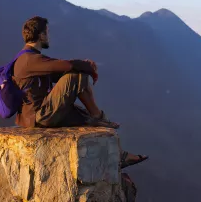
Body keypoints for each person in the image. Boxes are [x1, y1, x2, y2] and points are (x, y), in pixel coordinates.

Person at [13, 16, 148, 169]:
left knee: (88, 120)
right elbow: (67, 66)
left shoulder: (30, 59)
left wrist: (83, 67)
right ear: (41, 35)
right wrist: (87, 66)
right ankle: (98, 116)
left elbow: (58, 71)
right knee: (77, 75)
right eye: (47, 32)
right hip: (39, 116)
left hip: (40, 114)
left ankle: (119, 155)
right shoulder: (29, 60)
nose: (48, 36)